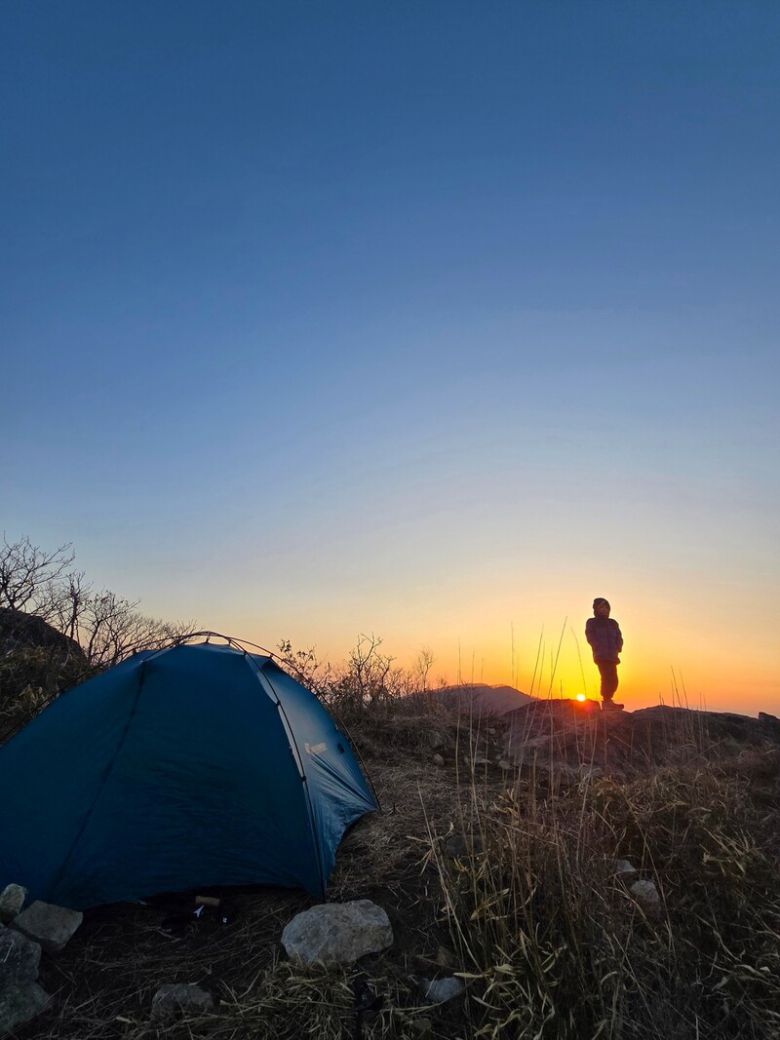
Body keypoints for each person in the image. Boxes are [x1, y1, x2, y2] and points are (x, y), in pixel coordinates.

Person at [585, 597, 624, 710]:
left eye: (606, 607)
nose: (604, 609)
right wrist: (597, 646)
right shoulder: (592, 622)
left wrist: (618, 647)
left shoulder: (613, 623)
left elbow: (619, 637)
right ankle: (607, 702)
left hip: (613, 655)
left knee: (614, 679)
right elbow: (590, 636)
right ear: (596, 609)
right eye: (601, 607)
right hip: (601, 655)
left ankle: (608, 700)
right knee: (606, 677)